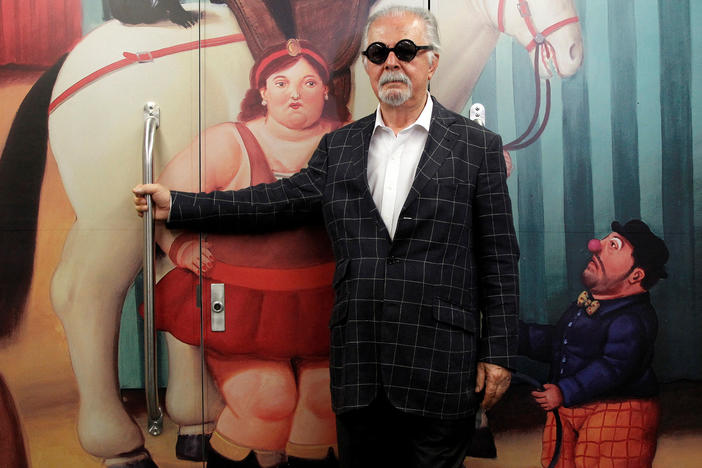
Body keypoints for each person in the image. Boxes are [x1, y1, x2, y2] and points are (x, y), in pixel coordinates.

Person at [134, 6, 520, 468]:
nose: (392, 62)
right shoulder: (341, 146)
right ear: (367, 64)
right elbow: (274, 201)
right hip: (358, 371)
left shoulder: (477, 147)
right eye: (379, 52)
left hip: (440, 366)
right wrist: (179, 204)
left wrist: (497, 353)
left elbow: (498, 257)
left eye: (407, 50)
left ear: (431, 61)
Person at [150, 39, 345, 467]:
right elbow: (160, 206)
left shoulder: (350, 142)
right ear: (263, 90)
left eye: (308, 82)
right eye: (281, 82)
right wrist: (180, 248)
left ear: (326, 90)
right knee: (266, 402)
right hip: (242, 305)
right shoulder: (227, 141)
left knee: (323, 404)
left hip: (326, 304)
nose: (295, 93)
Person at [519, 220, 668, 468]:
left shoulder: (632, 319)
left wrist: (564, 391)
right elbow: (559, 344)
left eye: (614, 246)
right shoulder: (587, 305)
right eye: (604, 241)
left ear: (636, 275)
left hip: (619, 410)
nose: (595, 246)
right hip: (568, 408)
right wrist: (511, 335)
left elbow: (613, 368)